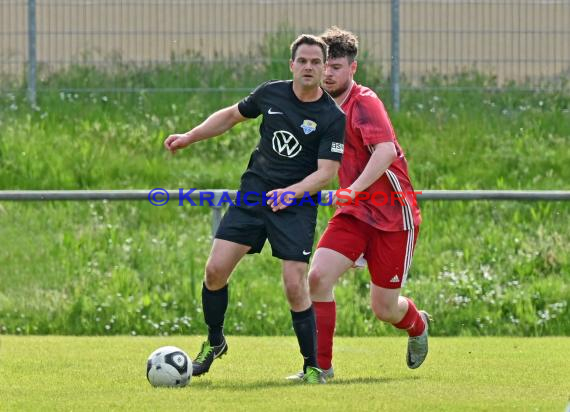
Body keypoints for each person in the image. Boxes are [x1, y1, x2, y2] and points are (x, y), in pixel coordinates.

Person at [164, 34, 345, 384]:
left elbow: (327, 173)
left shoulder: (330, 116)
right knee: (215, 271)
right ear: (292, 64)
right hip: (253, 196)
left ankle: (313, 367)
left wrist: (291, 194)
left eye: (315, 62)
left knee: (295, 284)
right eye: (302, 61)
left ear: (324, 69)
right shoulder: (271, 93)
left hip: (295, 205)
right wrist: (189, 136)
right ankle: (214, 342)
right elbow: (231, 116)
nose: (308, 67)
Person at [288, 26, 429, 381]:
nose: (329, 73)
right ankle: (320, 368)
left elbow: (385, 152)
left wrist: (354, 188)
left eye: (336, 66)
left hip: (392, 215)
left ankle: (417, 324)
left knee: (384, 309)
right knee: (317, 278)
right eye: (325, 66)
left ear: (353, 68)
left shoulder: (364, 102)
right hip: (353, 214)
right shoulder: (317, 107)